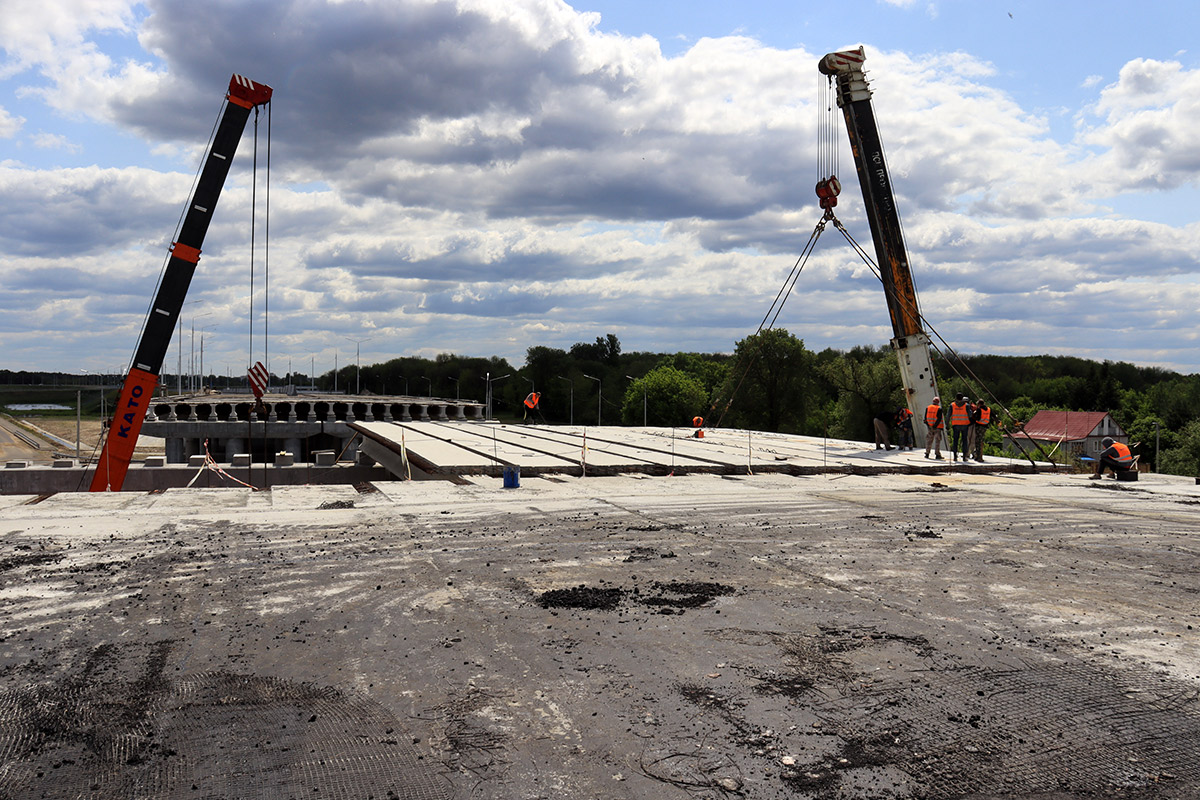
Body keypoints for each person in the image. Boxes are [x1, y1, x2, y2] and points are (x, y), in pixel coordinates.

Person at [948, 394, 971, 462]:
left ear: (956, 398)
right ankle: (964, 457)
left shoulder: (952, 405)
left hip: (955, 425)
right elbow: (970, 415)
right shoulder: (966, 405)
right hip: (964, 425)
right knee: (964, 441)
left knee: (955, 441)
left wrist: (947, 425)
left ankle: (955, 456)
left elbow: (948, 415)